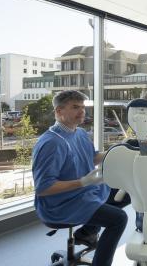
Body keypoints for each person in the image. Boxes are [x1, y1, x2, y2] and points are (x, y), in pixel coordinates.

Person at [32, 90, 128, 266]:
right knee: (119, 219)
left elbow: (91, 157)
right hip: (61, 204)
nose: (82, 111)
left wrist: (118, 150)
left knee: (125, 192)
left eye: (83, 107)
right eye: (75, 107)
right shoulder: (51, 143)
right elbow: (43, 188)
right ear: (59, 112)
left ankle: (87, 231)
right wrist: (83, 182)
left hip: (84, 192)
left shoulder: (80, 133)